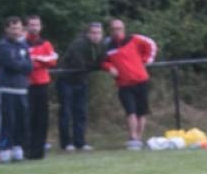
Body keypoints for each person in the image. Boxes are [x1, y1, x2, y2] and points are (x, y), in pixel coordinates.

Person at [102, 19, 157, 149]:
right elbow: (103, 61)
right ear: (110, 30)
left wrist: (146, 60)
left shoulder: (134, 39)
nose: (117, 32)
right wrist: (109, 67)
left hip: (141, 80)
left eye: (119, 28)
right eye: (114, 29)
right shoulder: (108, 46)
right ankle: (132, 137)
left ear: (124, 29)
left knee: (141, 112)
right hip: (124, 83)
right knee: (130, 111)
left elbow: (151, 45)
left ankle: (139, 137)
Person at [56, 22, 104, 152]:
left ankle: (80, 142)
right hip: (67, 80)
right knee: (66, 112)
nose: (96, 36)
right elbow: (81, 65)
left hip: (81, 80)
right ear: (87, 33)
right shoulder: (79, 44)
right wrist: (96, 65)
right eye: (93, 33)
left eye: (98, 33)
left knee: (81, 112)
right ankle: (66, 143)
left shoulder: (99, 46)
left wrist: (100, 65)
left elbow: (99, 62)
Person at [0, 16, 32, 163]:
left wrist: (21, 65)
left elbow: (29, 66)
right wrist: (21, 65)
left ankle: (17, 148)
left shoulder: (23, 46)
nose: (16, 31)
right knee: (7, 120)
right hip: (7, 89)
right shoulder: (3, 45)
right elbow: (11, 64)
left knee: (21, 120)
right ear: (6, 29)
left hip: (22, 88)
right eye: (12, 28)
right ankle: (4, 149)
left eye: (18, 28)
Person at [25, 15, 57, 159]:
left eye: (37, 25)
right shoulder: (22, 43)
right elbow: (25, 62)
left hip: (42, 84)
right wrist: (40, 61)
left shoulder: (45, 43)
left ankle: (39, 150)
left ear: (41, 26)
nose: (34, 27)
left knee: (42, 118)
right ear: (26, 26)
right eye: (31, 25)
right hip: (27, 85)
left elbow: (52, 61)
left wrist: (36, 60)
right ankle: (28, 148)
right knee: (28, 118)